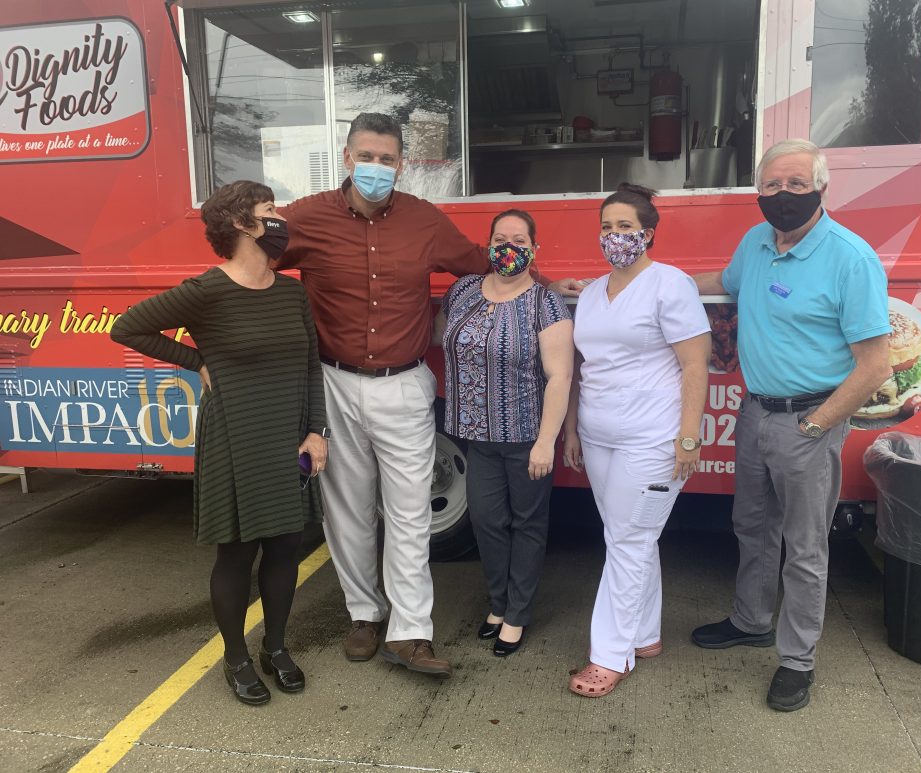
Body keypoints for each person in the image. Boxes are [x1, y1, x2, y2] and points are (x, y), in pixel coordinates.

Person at [276, 113, 579, 677]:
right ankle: (364, 615)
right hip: (334, 381)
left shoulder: (424, 220)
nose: (376, 167)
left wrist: (545, 284)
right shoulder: (305, 218)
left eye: (387, 159)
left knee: (410, 513)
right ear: (347, 158)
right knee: (347, 509)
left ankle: (410, 632)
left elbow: (491, 265)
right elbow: (250, 264)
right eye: (367, 156)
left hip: (404, 383)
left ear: (401, 165)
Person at [690, 139, 891, 712]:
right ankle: (751, 620)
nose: (783, 195)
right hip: (754, 410)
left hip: (809, 419)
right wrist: (644, 282)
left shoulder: (851, 259)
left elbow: (876, 366)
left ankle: (797, 660)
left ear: (821, 188)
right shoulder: (756, 241)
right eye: (772, 185)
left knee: (804, 548)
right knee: (752, 525)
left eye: (797, 184)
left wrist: (818, 424)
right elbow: (722, 282)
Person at [111, 181, 328, 705]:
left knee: (285, 547)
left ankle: (275, 648)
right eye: (269, 210)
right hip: (233, 434)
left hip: (287, 434)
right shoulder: (207, 290)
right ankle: (236, 657)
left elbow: (310, 365)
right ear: (241, 223)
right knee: (236, 553)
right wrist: (197, 361)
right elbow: (128, 328)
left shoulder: (292, 292)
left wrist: (316, 431)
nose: (280, 218)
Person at [563, 183, 712, 698]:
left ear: (647, 233)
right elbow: (583, 366)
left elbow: (696, 364)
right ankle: (645, 634)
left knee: (628, 541)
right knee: (627, 537)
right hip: (598, 436)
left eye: (625, 226)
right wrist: (572, 429)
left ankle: (610, 655)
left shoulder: (671, 284)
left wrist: (688, 437)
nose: (614, 235)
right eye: (606, 227)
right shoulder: (592, 293)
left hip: (652, 440)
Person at [435, 209, 573, 657]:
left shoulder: (545, 303)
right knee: (486, 522)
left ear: (534, 249)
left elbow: (560, 377)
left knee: (527, 524)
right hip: (476, 438)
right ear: (488, 245)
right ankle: (498, 602)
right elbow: (441, 339)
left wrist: (546, 442)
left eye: (519, 240)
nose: (508, 247)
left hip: (525, 438)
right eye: (499, 239)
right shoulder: (462, 291)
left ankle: (517, 613)